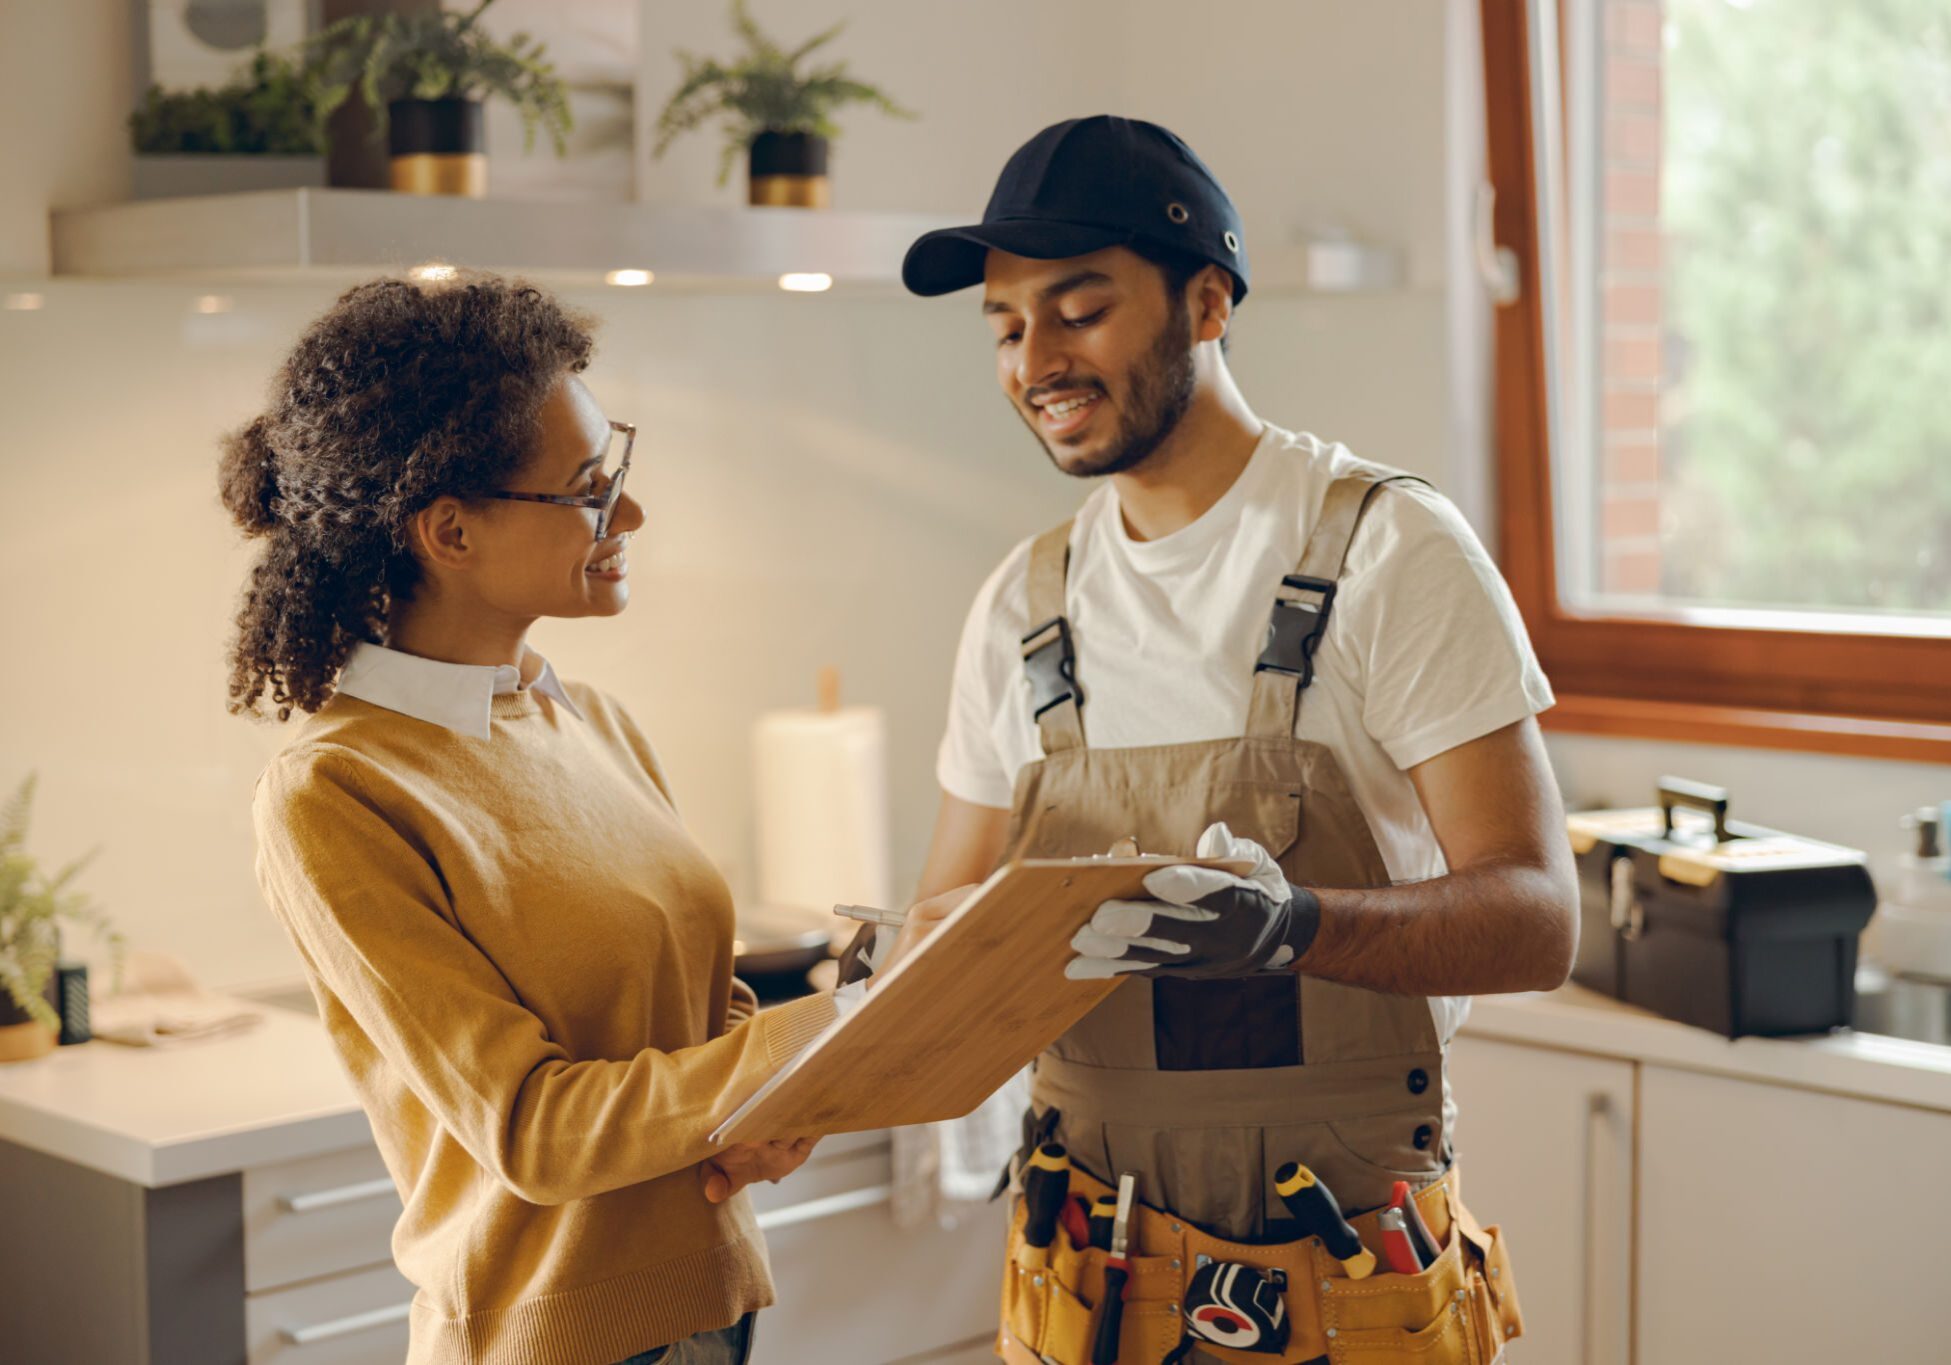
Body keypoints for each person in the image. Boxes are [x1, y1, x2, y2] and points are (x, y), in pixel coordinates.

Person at [866, 115, 1577, 1363]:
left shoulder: (1385, 552)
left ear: (1205, 303)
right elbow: (950, 922)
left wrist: (1293, 928)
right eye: (1004, 323)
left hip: (1343, 1268)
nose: (1036, 358)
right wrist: (869, 986)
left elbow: (1535, 919)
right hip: (1086, 1275)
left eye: (1079, 309)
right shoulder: (1021, 608)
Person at [224, 273, 833, 1365]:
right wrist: (813, 1042)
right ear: (449, 531)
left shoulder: (586, 719)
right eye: (589, 489)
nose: (629, 515)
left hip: (710, 1312)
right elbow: (532, 1131)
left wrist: (780, 1094)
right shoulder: (338, 791)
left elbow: (696, 1008)